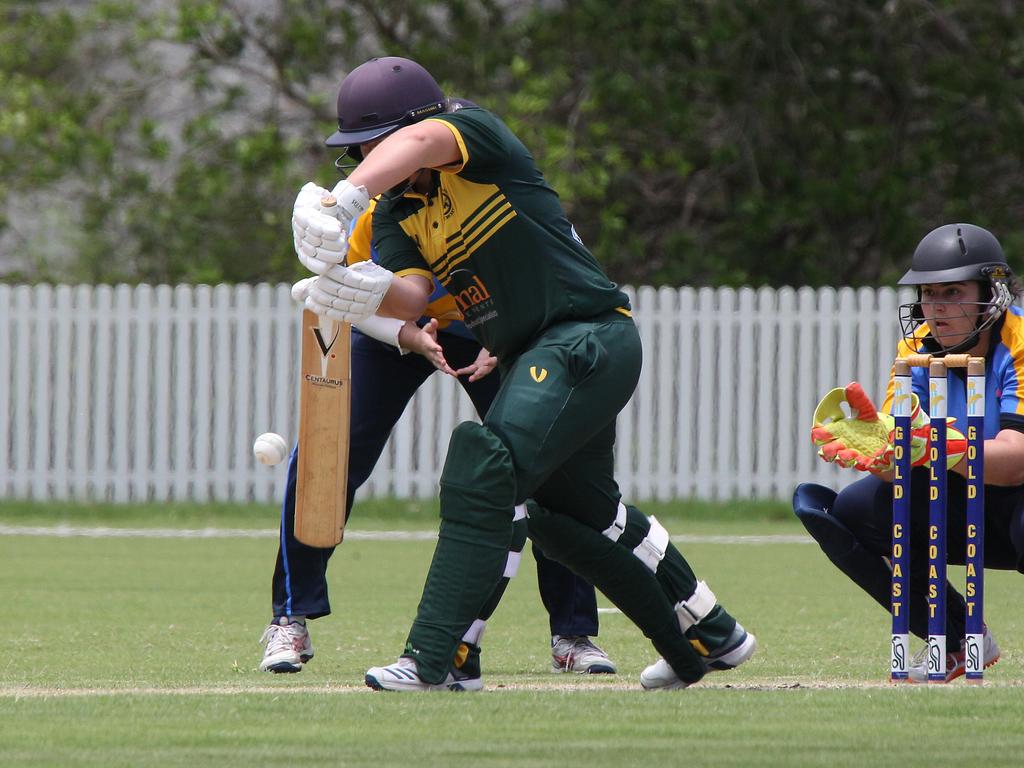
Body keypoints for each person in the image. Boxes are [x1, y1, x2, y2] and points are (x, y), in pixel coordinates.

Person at [288, 56, 757, 691]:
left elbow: (420, 141)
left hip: (582, 335)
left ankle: (442, 654)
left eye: (370, 142)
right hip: (537, 354)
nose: (365, 157)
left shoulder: (471, 136)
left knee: (489, 470)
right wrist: (349, 282)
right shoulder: (401, 214)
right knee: (580, 511)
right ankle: (707, 632)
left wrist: (345, 200)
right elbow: (414, 294)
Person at [260, 182, 617, 677]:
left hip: (498, 330)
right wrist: (407, 334)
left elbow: (561, 285)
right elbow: (345, 302)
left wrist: (511, 337)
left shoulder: (515, 208)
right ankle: (289, 618)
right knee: (325, 455)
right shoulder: (375, 216)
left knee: (549, 469)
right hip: (391, 330)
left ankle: (573, 633)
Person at [795, 222, 1024, 683]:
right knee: (847, 508)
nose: (936, 308)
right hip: (967, 496)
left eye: (953, 292)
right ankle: (960, 639)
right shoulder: (915, 348)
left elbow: (1016, 461)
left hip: (1015, 497)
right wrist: (877, 451)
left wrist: (940, 445)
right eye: (928, 293)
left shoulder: (1017, 341)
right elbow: (902, 463)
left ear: (991, 292)